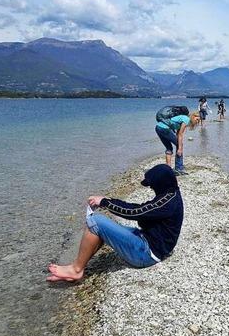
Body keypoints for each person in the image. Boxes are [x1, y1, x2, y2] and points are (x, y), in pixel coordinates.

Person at [47, 164, 183, 282]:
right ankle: (78, 266)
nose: (151, 189)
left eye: (152, 185)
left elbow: (135, 212)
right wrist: (109, 200)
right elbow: (142, 209)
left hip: (146, 254)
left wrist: (105, 202)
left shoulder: (166, 202)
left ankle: (76, 269)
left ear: (160, 183)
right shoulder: (171, 194)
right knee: (101, 227)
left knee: (95, 221)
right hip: (150, 244)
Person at [156, 111, 200, 175]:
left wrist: (178, 144)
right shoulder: (186, 119)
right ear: (193, 116)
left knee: (169, 148)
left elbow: (177, 134)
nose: (197, 121)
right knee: (180, 145)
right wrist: (179, 148)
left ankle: (168, 169)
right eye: (197, 119)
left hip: (158, 127)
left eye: (198, 120)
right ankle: (179, 168)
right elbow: (180, 134)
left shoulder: (184, 119)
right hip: (164, 128)